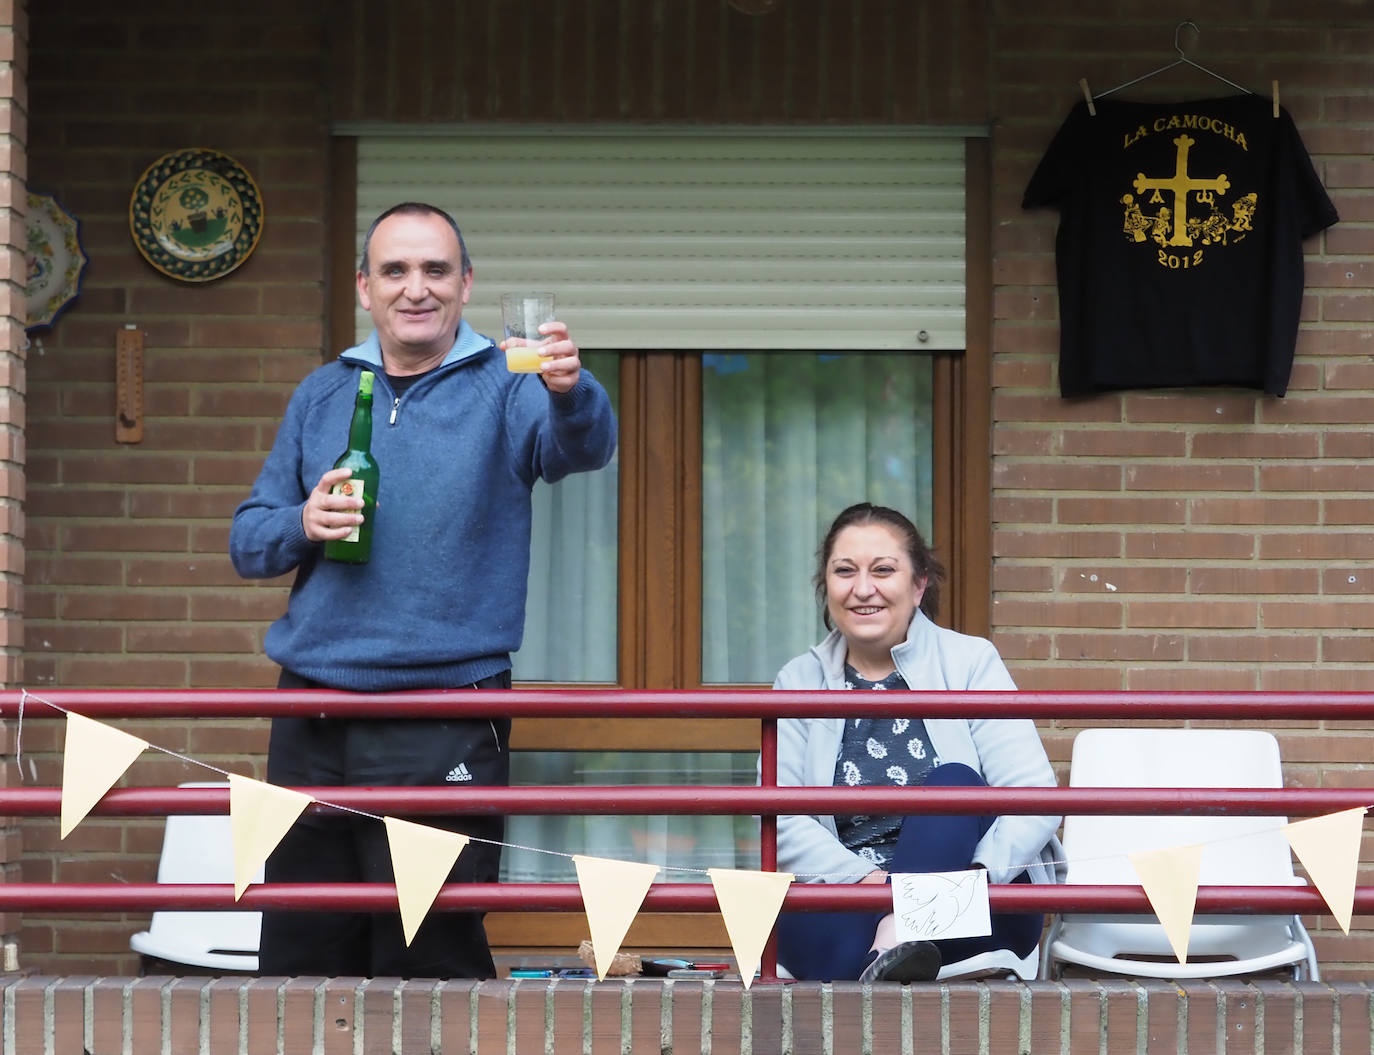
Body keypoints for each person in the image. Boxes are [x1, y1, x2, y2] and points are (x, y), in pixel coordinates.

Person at [229, 201, 617, 978]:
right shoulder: (321, 392)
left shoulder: (511, 385)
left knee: (430, 953)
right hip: (313, 711)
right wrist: (304, 520)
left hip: (446, 710)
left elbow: (581, 447)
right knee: (301, 949)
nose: (417, 288)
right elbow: (249, 539)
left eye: (436, 270)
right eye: (396, 270)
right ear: (365, 289)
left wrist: (573, 390)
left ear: (465, 285)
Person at [770, 502, 1062, 983]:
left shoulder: (970, 662)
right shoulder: (798, 679)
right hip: (851, 898)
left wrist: (948, 893)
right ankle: (888, 950)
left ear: (919, 583)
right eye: (845, 571)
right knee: (800, 936)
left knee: (953, 784)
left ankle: (896, 940)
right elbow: (781, 817)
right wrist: (872, 885)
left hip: (972, 901)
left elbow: (1034, 797)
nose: (863, 589)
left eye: (883, 570)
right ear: (827, 586)